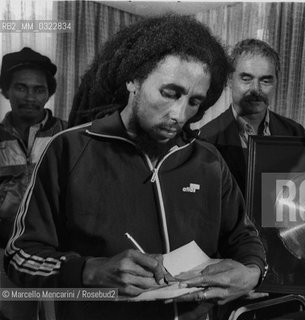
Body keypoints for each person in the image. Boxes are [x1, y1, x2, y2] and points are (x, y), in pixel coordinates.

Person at [4, 15, 266, 320]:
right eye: (170, 93)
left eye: (195, 101)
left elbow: (245, 237)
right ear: (133, 80)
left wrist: (252, 271)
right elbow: (20, 256)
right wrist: (90, 270)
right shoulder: (69, 149)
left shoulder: (208, 160)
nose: (180, 115)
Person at [199, 39, 305, 194]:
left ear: (276, 82)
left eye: (265, 80)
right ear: (230, 80)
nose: (256, 89)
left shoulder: (295, 134)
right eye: (246, 78)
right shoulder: (206, 140)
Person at [0, 47, 66, 320]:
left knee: (57, 315)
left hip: (57, 253)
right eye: (21, 88)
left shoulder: (68, 136)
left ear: (49, 94)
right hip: (4, 250)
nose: (30, 97)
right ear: (5, 91)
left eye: (38, 89)